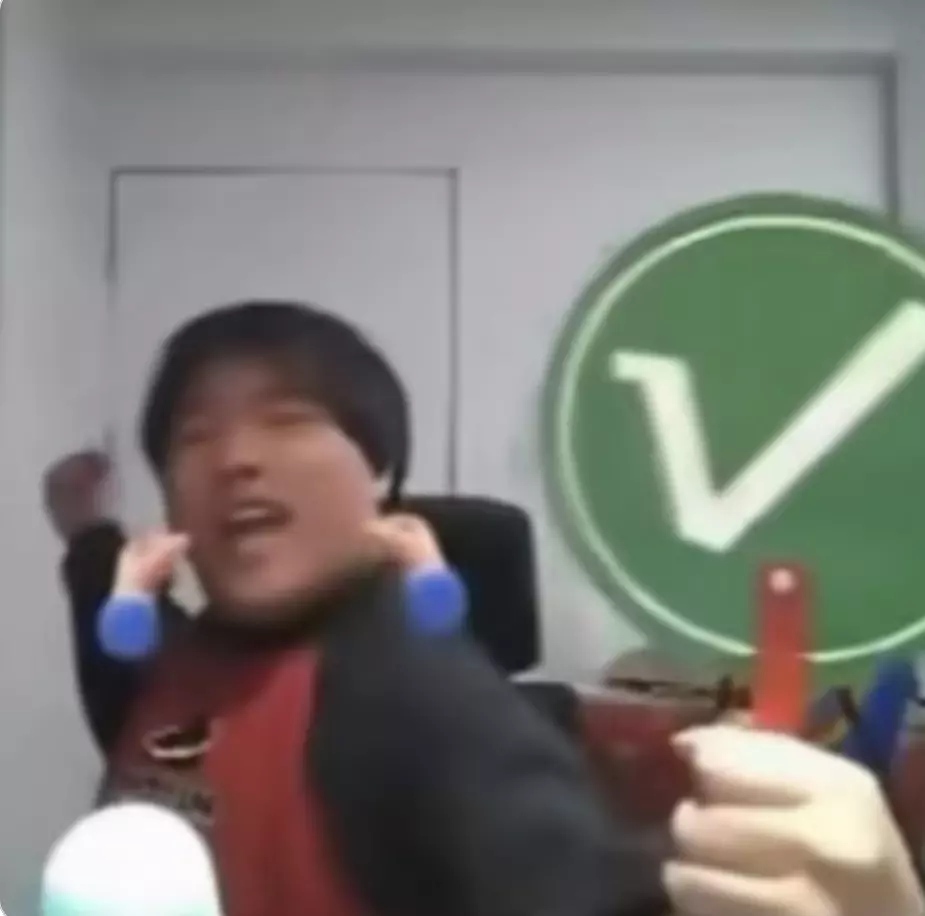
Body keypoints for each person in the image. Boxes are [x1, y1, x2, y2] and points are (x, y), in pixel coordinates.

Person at [44, 301, 667, 916]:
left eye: (287, 420)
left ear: (379, 471)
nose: (235, 459)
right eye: (196, 436)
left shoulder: (414, 690)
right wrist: (86, 530)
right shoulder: (175, 659)